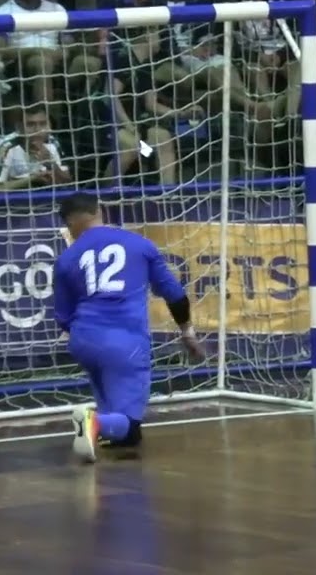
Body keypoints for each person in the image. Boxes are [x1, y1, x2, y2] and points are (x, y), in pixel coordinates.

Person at [53, 193, 205, 462]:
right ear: (99, 211)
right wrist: (187, 332)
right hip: (126, 344)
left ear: (69, 223)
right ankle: (92, 422)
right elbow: (175, 295)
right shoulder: (140, 245)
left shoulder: (66, 259)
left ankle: (99, 429)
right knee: (130, 428)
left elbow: (63, 317)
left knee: (116, 428)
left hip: (84, 341)